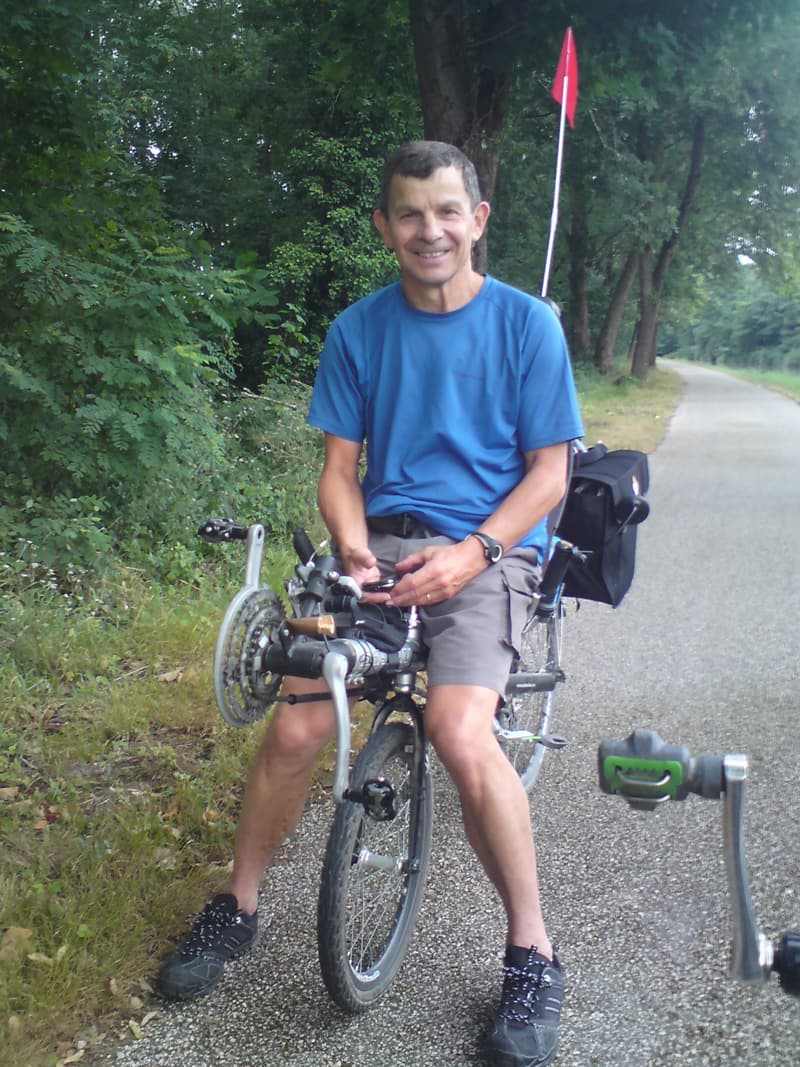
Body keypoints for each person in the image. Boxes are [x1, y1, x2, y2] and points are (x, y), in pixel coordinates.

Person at [157, 140, 583, 1067]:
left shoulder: (526, 326)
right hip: (380, 545)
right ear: (386, 227)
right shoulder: (359, 329)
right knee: (300, 725)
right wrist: (353, 546)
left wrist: (472, 555)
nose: (428, 229)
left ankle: (532, 950)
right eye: (408, 213)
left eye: (445, 210)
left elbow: (551, 474)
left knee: (462, 733)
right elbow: (338, 472)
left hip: (488, 547)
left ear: (476, 219)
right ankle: (237, 908)